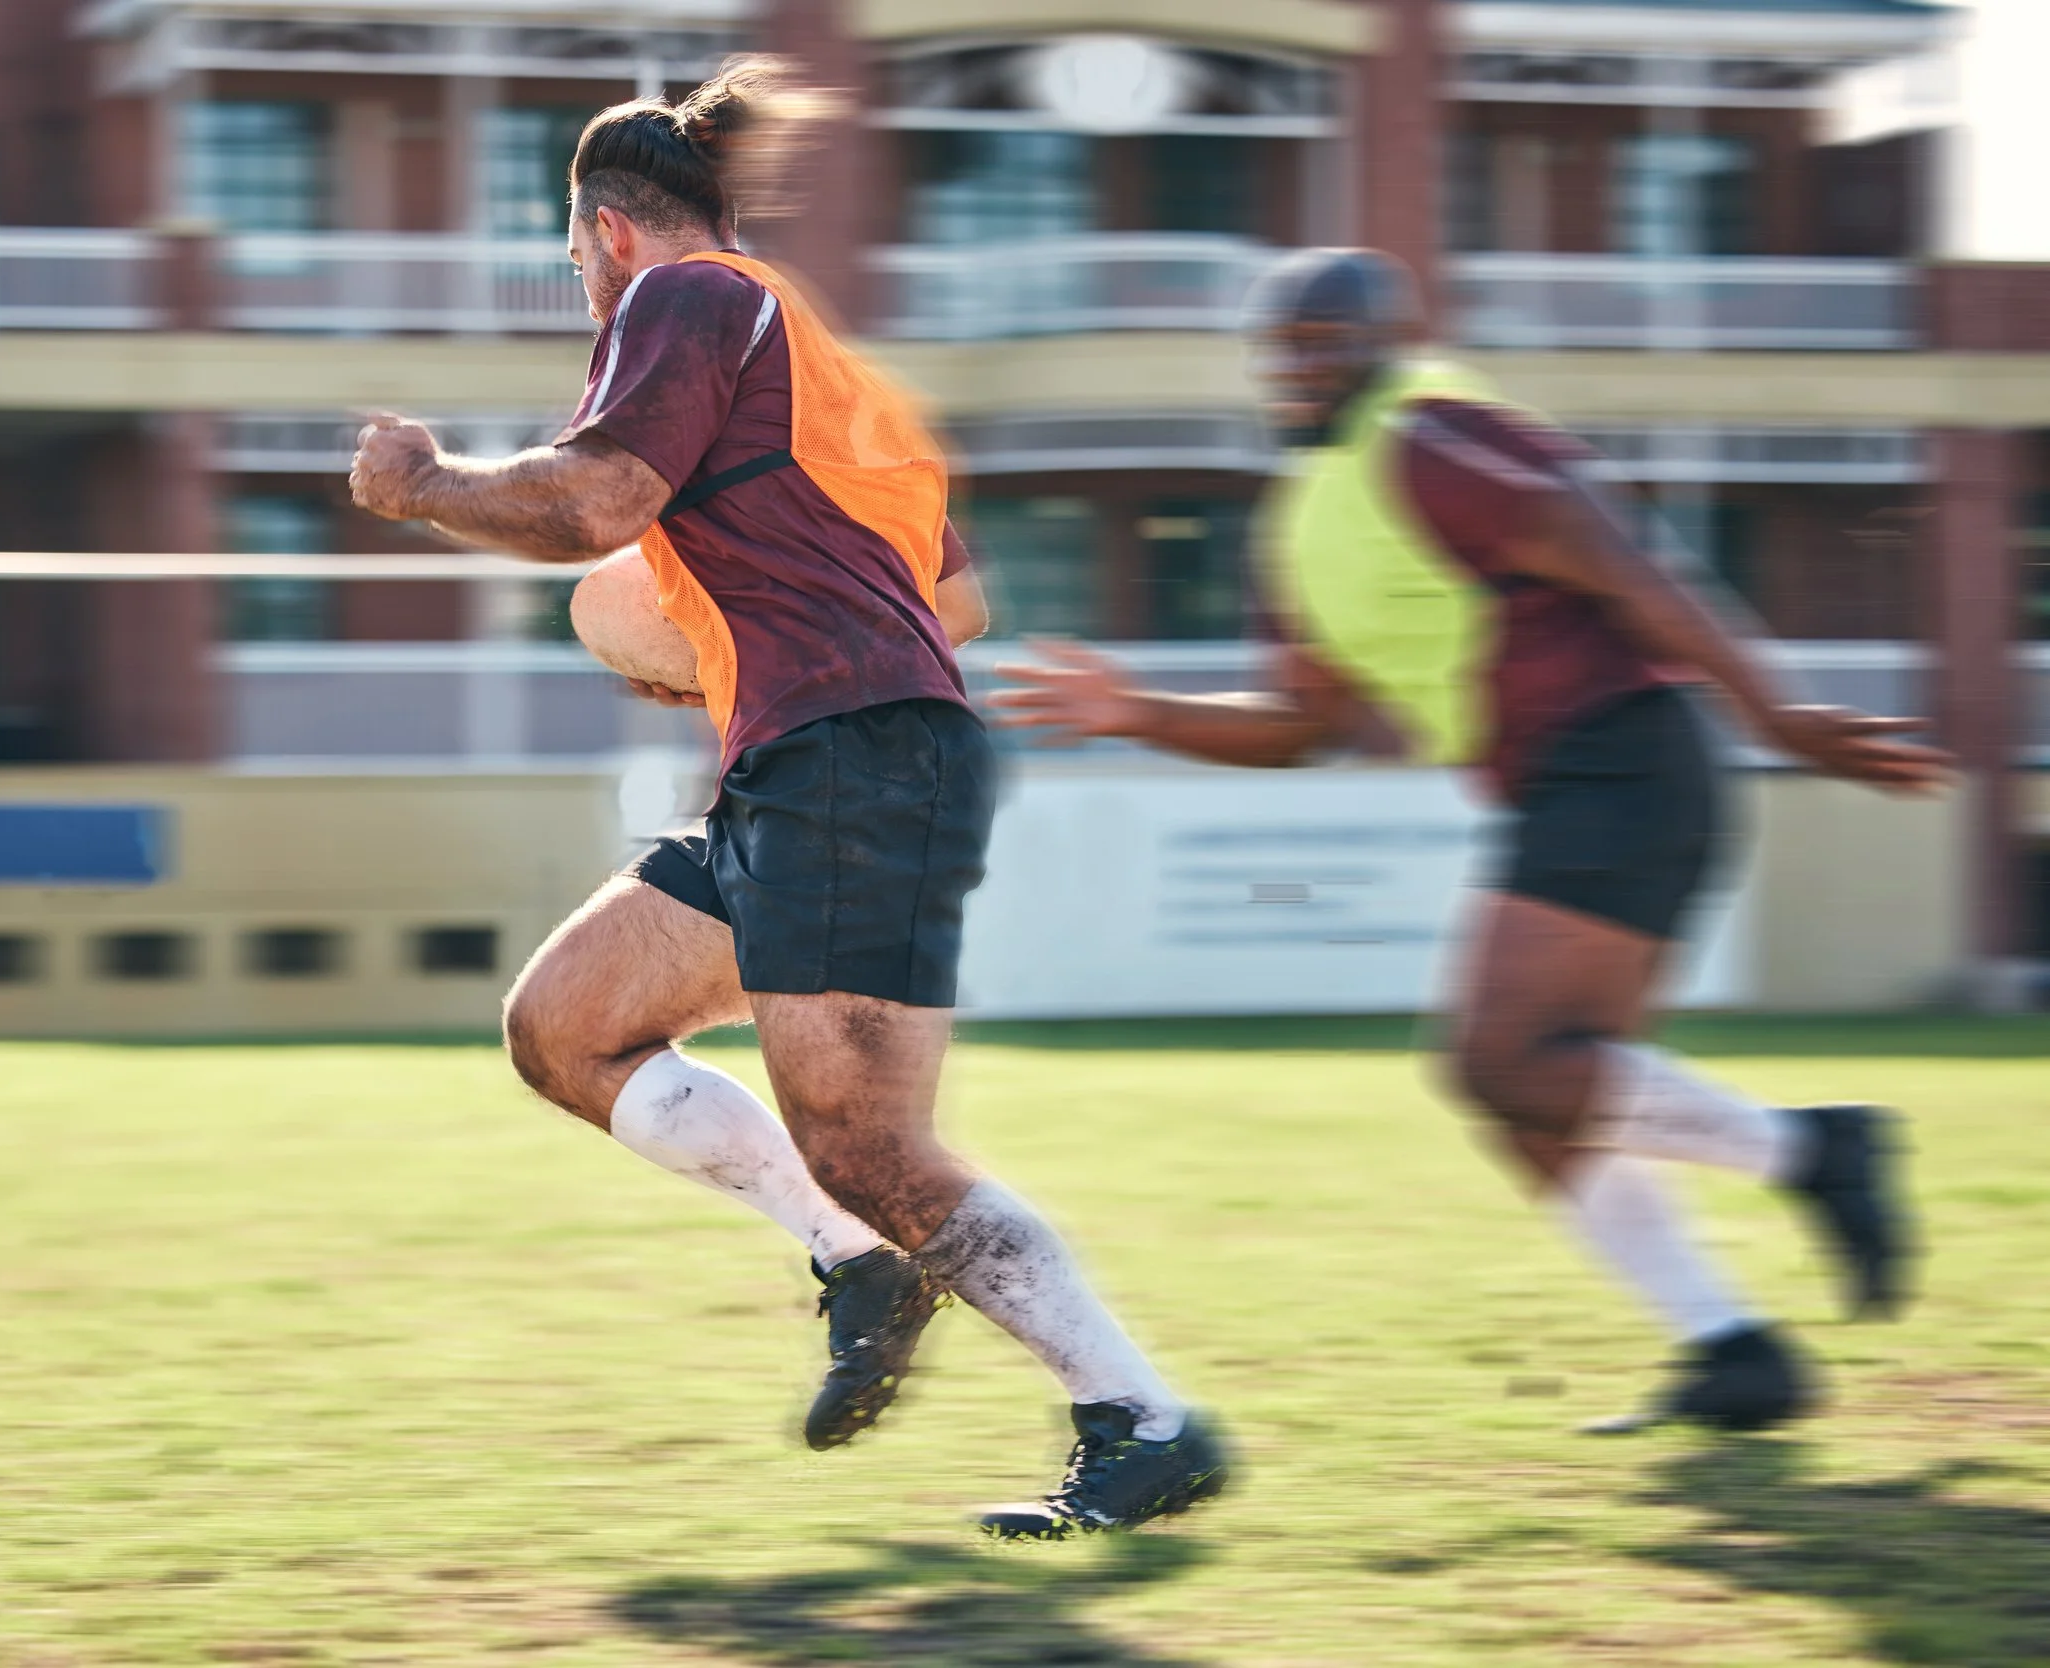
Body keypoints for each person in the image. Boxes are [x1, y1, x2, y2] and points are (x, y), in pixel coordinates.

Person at [349, 58, 1225, 1538]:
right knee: (564, 1029)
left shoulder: (686, 300)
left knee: (873, 1145)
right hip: (821, 751)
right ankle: (855, 1263)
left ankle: (1143, 1420)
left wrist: (428, 482)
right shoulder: (840, 376)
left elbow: (595, 502)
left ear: (611, 231)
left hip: (857, 760)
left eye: (575, 262)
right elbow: (957, 605)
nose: (583, 289)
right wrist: (719, 647)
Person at [994, 247, 1945, 1434]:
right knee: (1532, 1094)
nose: (1300, 370)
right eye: (1283, 351)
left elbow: (1612, 554)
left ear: (1386, 339)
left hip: (1625, 753)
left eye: (1328, 343)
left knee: (1500, 1061)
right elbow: (1305, 725)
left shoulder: (1425, 437)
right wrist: (1139, 712)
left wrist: (1774, 712)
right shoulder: (1299, 524)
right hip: (1569, 782)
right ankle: (1731, 1348)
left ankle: (1816, 1152)